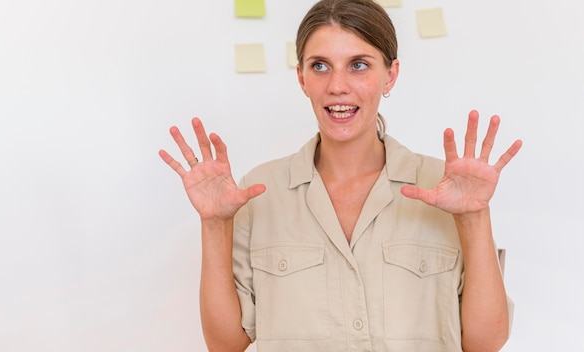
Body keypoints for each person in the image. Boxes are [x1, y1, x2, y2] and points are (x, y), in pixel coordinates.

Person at [159, 0, 522, 351]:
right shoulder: (259, 192)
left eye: (359, 65)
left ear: (390, 75)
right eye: (320, 66)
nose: (337, 86)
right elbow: (226, 346)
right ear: (301, 77)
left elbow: (485, 343)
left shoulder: (443, 187)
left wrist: (474, 217)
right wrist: (214, 224)